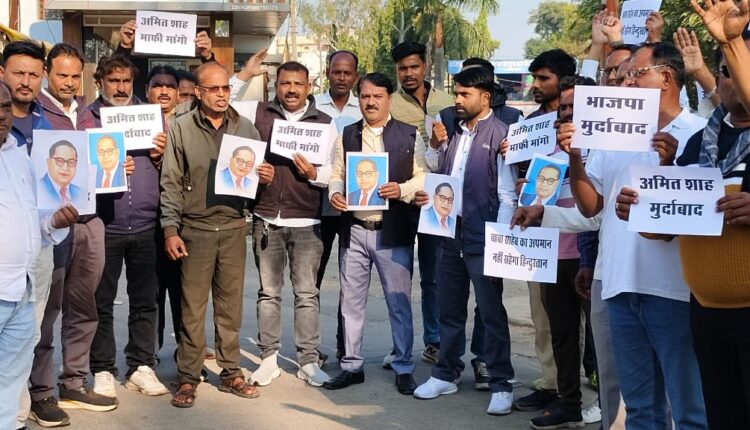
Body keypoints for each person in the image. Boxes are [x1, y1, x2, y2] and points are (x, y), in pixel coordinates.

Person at [556, 42, 708, 429]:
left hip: (675, 292)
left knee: (690, 410)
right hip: (619, 286)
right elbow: (591, 206)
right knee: (640, 408)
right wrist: (575, 157)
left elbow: (700, 213)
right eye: (622, 77)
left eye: (634, 75)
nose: (624, 84)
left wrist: (671, 166)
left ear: (666, 77)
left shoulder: (698, 133)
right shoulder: (612, 134)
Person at [616, 24, 750, 428]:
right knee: (721, 416)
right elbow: (669, 228)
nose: (736, 78)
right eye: (727, 69)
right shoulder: (699, 144)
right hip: (706, 313)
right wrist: (641, 212)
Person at [161, 62, 273, 408]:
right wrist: (170, 229)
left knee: (230, 306)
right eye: (214, 89)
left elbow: (253, 186)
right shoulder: (181, 128)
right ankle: (188, 376)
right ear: (198, 92)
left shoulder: (246, 129)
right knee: (192, 308)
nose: (222, 94)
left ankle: (230, 372)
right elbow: (170, 181)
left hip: (233, 227)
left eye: (226, 88)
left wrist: (263, 179)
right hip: (194, 229)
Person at [413, 66, 517, 416]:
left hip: (483, 236)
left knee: (490, 313)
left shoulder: (501, 134)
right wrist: (435, 145)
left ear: (485, 98)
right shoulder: (452, 131)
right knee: (450, 309)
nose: (457, 100)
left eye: (464, 94)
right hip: (448, 233)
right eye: (456, 93)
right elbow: (436, 170)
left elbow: (507, 194)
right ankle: (445, 373)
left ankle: (501, 383)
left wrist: (499, 240)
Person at [231, 61, 334, 388]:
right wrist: (244, 74)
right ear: (276, 84)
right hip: (266, 218)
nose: (291, 90)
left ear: (309, 86)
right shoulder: (259, 112)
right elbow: (222, 100)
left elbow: (335, 171)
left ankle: (308, 360)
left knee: (307, 294)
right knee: (268, 294)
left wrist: (314, 174)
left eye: (298, 84)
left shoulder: (325, 123)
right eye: (285, 83)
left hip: (307, 221)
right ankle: (269, 359)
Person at [323, 72, 426, 394]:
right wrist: (335, 192)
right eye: (365, 96)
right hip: (355, 230)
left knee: (398, 303)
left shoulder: (409, 135)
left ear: (389, 99)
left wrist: (402, 189)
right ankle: (351, 365)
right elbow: (337, 173)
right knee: (351, 303)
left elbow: (424, 176)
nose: (371, 102)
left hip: (392, 231)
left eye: (377, 96)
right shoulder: (348, 134)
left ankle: (403, 366)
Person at [88, 53, 170, 401]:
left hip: (147, 224)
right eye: (113, 81)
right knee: (100, 302)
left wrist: (162, 155)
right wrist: (104, 169)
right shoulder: (87, 119)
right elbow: (76, 173)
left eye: (126, 81)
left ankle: (141, 365)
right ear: (100, 82)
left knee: (146, 301)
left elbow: (173, 169)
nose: (121, 88)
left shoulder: (151, 117)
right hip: (104, 225)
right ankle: (102, 368)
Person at [0, 81, 77, 430]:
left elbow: (34, 219)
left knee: (10, 378)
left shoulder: (18, 156)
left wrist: (53, 222)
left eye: (5, 107)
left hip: (24, 289)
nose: (2, 115)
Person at [511, 48, 577, 413]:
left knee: (584, 324)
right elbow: (525, 175)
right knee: (543, 316)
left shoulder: (590, 122)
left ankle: (587, 391)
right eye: (534, 78)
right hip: (541, 237)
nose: (535, 85)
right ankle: (552, 384)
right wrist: (512, 159)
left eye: (543, 78)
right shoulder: (530, 126)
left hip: (581, 237)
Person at [387, 40, 454, 367]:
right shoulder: (389, 103)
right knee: (397, 277)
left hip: (437, 198)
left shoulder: (447, 102)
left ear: (424, 66)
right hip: (401, 198)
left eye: (414, 66)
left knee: (434, 275)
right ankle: (400, 346)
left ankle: (434, 341)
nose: (408, 73)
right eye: (402, 69)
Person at [313, 50, 362, 361]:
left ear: (355, 76)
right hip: (317, 202)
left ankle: (346, 346)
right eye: (336, 71)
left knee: (351, 280)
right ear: (328, 72)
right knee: (312, 279)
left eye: (347, 72)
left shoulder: (366, 106)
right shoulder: (313, 106)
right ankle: (311, 347)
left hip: (355, 204)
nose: (341, 77)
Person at [39, 140, 83, 206]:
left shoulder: (80, 192)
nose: (65, 168)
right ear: (49, 162)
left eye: (71, 162)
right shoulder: (38, 188)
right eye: (59, 161)